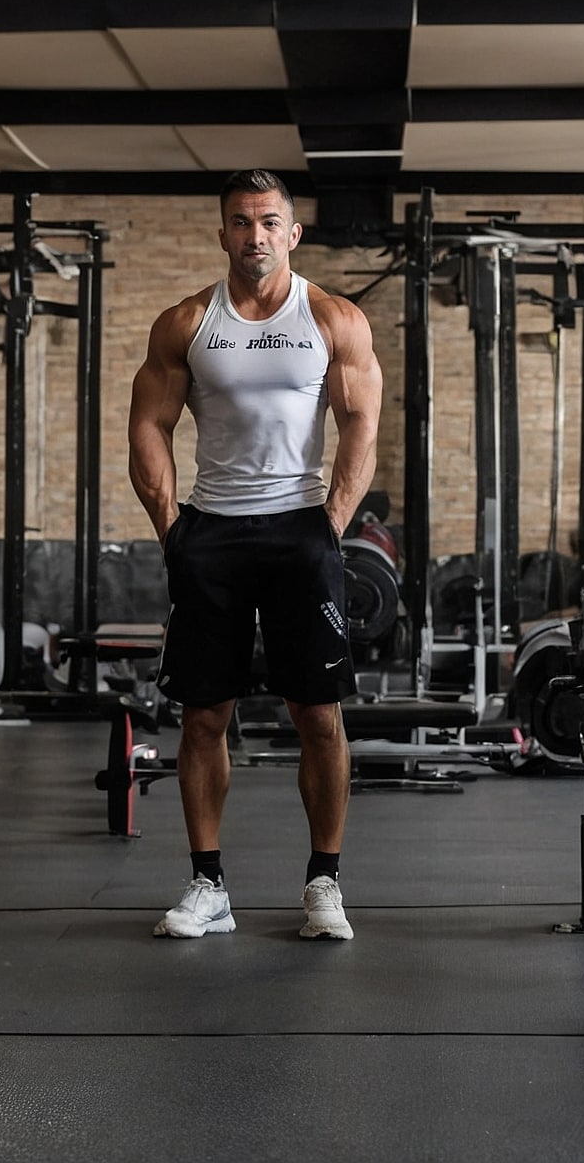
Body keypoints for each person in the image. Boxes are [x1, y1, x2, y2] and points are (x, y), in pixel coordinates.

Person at [128, 169, 382, 940]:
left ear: (293, 233)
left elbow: (362, 423)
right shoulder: (185, 323)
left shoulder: (333, 318)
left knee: (319, 713)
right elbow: (149, 426)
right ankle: (209, 885)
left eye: (270, 221)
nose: (255, 235)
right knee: (204, 715)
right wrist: (173, 526)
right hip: (213, 532)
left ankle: (324, 885)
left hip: (301, 527)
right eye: (241, 222)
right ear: (223, 234)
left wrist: (331, 521)